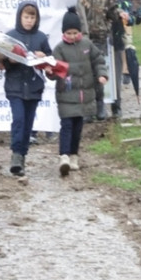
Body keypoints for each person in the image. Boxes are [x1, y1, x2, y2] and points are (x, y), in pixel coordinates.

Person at [50, 11, 106, 177]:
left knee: (78, 127)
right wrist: (50, 71)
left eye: (75, 33)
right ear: (63, 33)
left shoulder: (87, 45)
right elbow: (54, 70)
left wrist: (102, 74)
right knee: (66, 126)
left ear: (80, 32)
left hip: (84, 97)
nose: (72, 36)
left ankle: (74, 155)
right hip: (66, 95)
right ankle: (64, 156)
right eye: (69, 33)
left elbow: (99, 61)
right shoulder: (59, 49)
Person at [3, 1, 52, 177]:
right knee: (19, 120)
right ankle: (16, 154)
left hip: (34, 88)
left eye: (32, 17)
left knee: (28, 123)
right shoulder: (10, 36)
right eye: (26, 16)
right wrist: (10, 60)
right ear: (19, 17)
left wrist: (44, 57)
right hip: (15, 86)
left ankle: (22, 156)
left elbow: (51, 63)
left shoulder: (41, 38)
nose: (29, 20)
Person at [76, 0, 120, 119]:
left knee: (97, 72)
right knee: (84, 73)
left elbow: (112, 12)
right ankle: (87, 107)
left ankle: (100, 103)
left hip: (100, 36)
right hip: (81, 37)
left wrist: (107, 25)